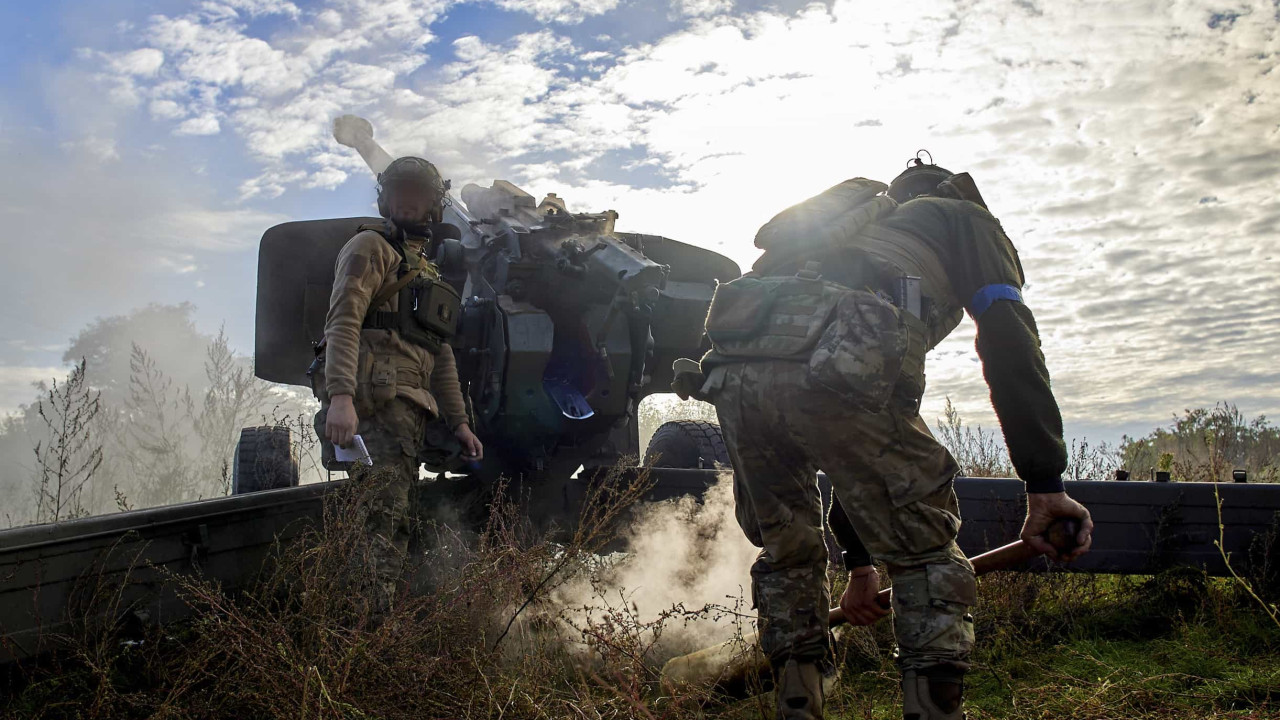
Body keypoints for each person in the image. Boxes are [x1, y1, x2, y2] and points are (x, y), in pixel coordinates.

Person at [675, 155, 1093, 719]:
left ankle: (797, 709)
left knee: (788, 555)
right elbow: (1008, 338)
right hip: (836, 373)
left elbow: (853, 455)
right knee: (926, 558)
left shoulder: (837, 234)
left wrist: (860, 566)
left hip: (731, 379)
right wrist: (1044, 482)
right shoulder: (962, 219)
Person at [311, 156, 484, 609]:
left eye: (418, 195)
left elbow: (439, 353)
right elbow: (343, 321)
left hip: (408, 413)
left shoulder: (425, 271)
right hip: (374, 406)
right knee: (378, 531)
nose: (408, 203)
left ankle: (376, 643)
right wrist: (342, 398)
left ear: (433, 205)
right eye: (400, 193)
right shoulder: (370, 246)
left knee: (395, 525)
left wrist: (460, 423)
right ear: (385, 200)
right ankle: (361, 646)